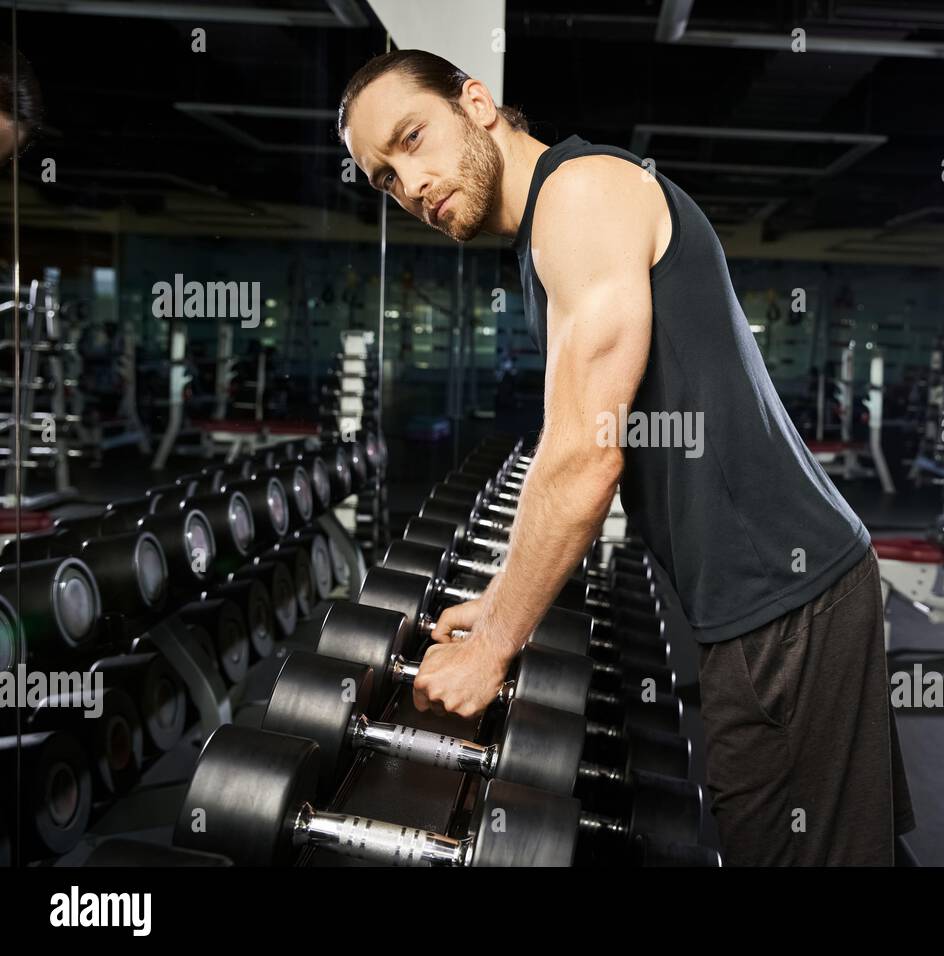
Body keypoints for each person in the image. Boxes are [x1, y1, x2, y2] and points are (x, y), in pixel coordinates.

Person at [337, 50, 913, 865]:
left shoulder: (581, 194)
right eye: (385, 177)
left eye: (412, 138)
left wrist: (497, 642)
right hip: (777, 593)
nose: (411, 183)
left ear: (478, 102)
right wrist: (504, 588)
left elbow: (585, 455)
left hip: (784, 602)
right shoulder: (548, 230)